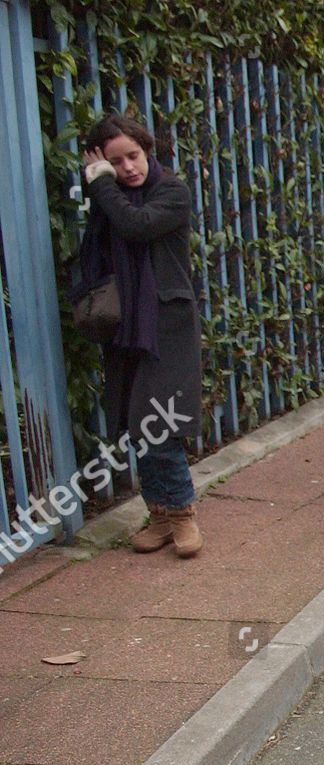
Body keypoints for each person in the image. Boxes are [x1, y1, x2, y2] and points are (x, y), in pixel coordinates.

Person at [81, 115, 204, 557]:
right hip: (125, 325)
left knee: (159, 424)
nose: (129, 167)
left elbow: (136, 225)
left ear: (146, 150)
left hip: (166, 327)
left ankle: (183, 513)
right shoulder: (109, 198)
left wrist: (101, 185)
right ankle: (159, 515)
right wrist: (103, 188)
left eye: (133, 156)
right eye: (116, 161)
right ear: (103, 164)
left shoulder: (172, 191)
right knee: (136, 427)